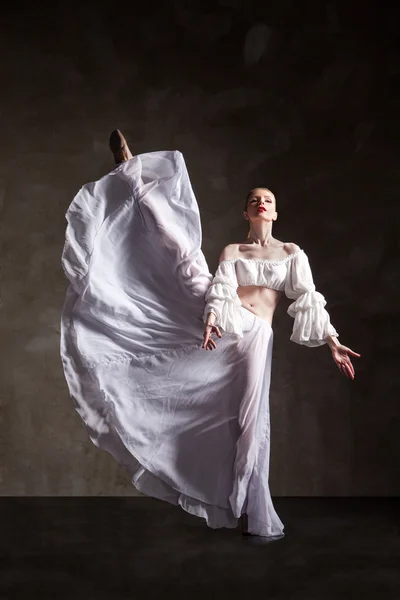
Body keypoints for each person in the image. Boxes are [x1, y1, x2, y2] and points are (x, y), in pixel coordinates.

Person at [60, 130, 360, 539]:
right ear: (246, 212)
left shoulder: (290, 253)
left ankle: (250, 507)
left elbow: (307, 297)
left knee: (248, 421)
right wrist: (212, 320)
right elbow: (219, 288)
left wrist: (331, 341)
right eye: (254, 199)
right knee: (182, 255)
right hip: (225, 323)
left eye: (267, 200)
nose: (261, 202)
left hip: (255, 337)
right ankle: (131, 174)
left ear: (274, 212)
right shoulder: (234, 252)